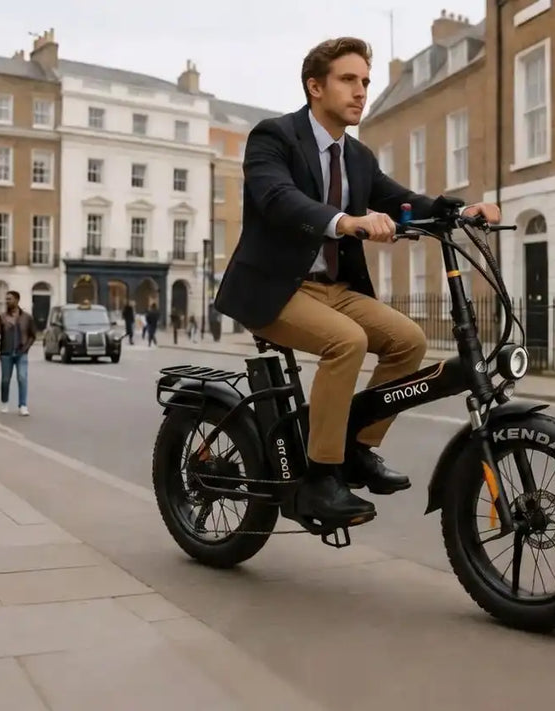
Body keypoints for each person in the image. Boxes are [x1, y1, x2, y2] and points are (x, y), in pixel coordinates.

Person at [213, 37, 501, 523]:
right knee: (347, 342)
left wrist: (461, 209)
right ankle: (320, 480)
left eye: (365, 81)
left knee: (408, 341)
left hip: (333, 289)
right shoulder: (274, 137)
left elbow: (400, 199)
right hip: (276, 288)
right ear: (315, 87)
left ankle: (356, 448)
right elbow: (277, 198)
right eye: (348, 80)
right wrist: (344, 221)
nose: (361, 91)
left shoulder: (358, 157)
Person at [0, 289, 36, 416]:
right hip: (6, 352)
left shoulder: (27, 317)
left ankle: (23, 405)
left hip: (21, 353)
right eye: (6, 299)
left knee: (22, 378)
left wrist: (26, 348)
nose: (7, 301)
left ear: (17, 300)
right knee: (5, 380)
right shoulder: (2, 317)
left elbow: (32, 335)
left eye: (10, 299)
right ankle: (4, 402)